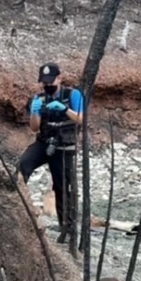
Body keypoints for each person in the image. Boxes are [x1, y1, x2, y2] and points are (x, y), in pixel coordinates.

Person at [18, 62, 84, 232]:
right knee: (22, 165)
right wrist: (34, 112)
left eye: (50, 82)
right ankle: (17, 207)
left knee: (62, 186)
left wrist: (64, 109)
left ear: (59, 78)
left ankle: (67, 227)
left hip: (64, 146)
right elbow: (34, 127)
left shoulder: (73, 95)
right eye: (44, 83)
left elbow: (82, 119)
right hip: (44, 142)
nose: (48, 86)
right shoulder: (39, 98)